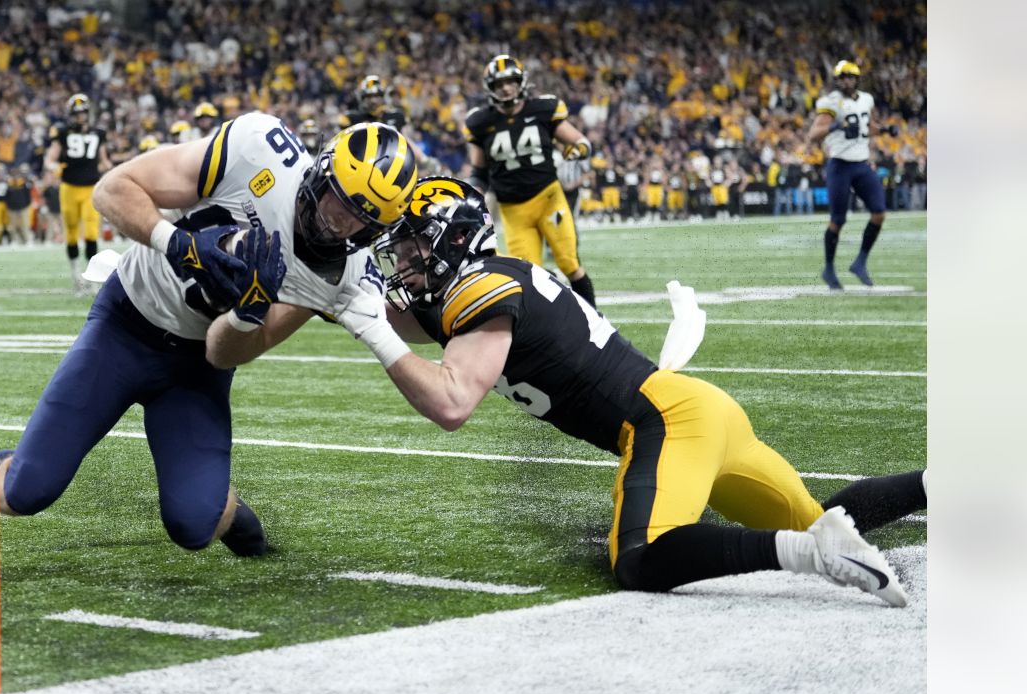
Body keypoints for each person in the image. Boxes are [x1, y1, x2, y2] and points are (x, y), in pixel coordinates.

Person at [328, 177, 926, 606]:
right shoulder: (494, 280)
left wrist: (375, 334)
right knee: (821, 516)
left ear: (452, 240)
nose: (402, 259)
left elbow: (451, 403)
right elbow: (383, 309)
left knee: (641, 558)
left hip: (665, 422)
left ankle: (810, 556)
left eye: (411, 246)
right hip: (698, 408)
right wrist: (324, 287)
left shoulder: (477, 292)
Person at [0, 118, 419, 558]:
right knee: (29, 492)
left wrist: (251, 311)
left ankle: (226, 509)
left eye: (360, 220)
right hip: (125, 326)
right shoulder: (258, 151)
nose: (337, 223)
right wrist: (178, 243)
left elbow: (224, 352)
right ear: (321, 171)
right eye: (336, 200)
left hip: (195, 369)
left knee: (193, 525)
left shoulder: (339, 275)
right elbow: (113, 190)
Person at [465, 54, 596, 306]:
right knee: (529, 276)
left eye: (511, 81)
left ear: (521, 82)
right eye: (499, 83)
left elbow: (581, 142)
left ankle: (594, 322)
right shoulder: (481, 122)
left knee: (569, 262)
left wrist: (577, 150)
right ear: (489, 88)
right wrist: (473, 192)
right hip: (513, 211)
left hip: (549, 199)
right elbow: (479, 172)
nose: (505, 87)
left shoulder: (543, 109)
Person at [807, 60, 895, 289]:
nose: (846, 80)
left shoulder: (866, 99)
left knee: (879, 212)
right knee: (838, 220)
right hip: (840, 165)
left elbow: (867, 125)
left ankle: (860, 262)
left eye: (850, 76)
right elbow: (813, 134)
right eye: (842, 77)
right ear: (837, 80)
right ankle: (829, 269)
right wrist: (836, 127)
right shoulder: (831, 102)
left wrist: (885, 129)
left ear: (856, 79)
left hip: (861, 164)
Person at [44, 94, 113, 291]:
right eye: (77, 113)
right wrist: (53, 167)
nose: (81, 117)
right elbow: (50, 158)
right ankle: (76, 275)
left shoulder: (98, 133)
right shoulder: (63, 132)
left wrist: (112, 170)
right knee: (72, 233)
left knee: (91, 232)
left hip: (91, 188)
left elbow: (103, 160)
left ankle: (93, 279)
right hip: (69, 188)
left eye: (83, 113)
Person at [342, 75, 407, 130]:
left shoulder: (397, 116)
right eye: (369, 96)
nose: (373, 100)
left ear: (382, 97)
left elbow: (406, 140)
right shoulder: (353, 118)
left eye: (376, 96)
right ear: (362, 99)